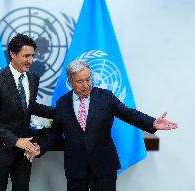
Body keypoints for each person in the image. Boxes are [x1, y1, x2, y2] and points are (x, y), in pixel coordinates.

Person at [25, 61, 178, 191]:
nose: (86, 85)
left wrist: (152, 123)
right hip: (76, 168)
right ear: (70, 82)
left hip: (104, 165)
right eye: (80, 81)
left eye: (88, 79)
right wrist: (40, 147)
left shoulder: (106, 97)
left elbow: (128, 113)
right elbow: (55, 132)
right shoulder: (62, 103)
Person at [0, 33, 55, 191]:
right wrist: (15, 140)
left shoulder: (33, 78)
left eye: (32, 56)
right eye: (26, 56)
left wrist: (63, 111)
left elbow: (30, 107)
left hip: (24, 152)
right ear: (12, 54)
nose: (31, 61)